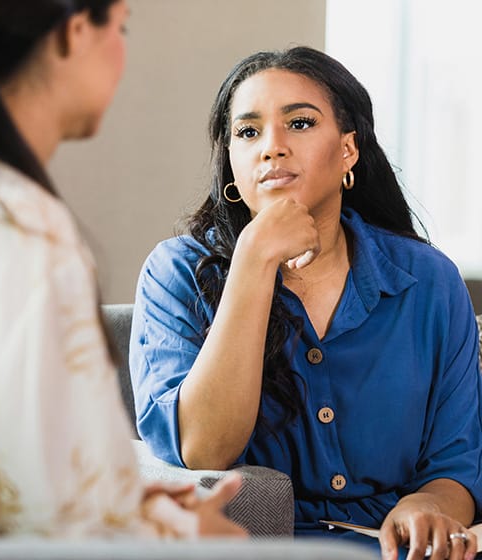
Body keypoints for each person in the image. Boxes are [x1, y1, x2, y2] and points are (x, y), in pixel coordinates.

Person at [129, 46, 482, 559]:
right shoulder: (177, 272)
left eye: (299, 123)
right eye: (248, 132)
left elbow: (456, 464)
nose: (271, 147)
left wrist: (428, 506)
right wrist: (253, 259)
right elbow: (204, 448)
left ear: (348, 150)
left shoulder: (428, 281)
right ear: (231, 162)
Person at [0, 0, 246, 538]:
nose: (122, 52)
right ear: (75, 32)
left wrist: (133, 500)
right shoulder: (29, 235)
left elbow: (12, 460)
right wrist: (181, 536)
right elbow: (58, 524)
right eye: (119, 27)